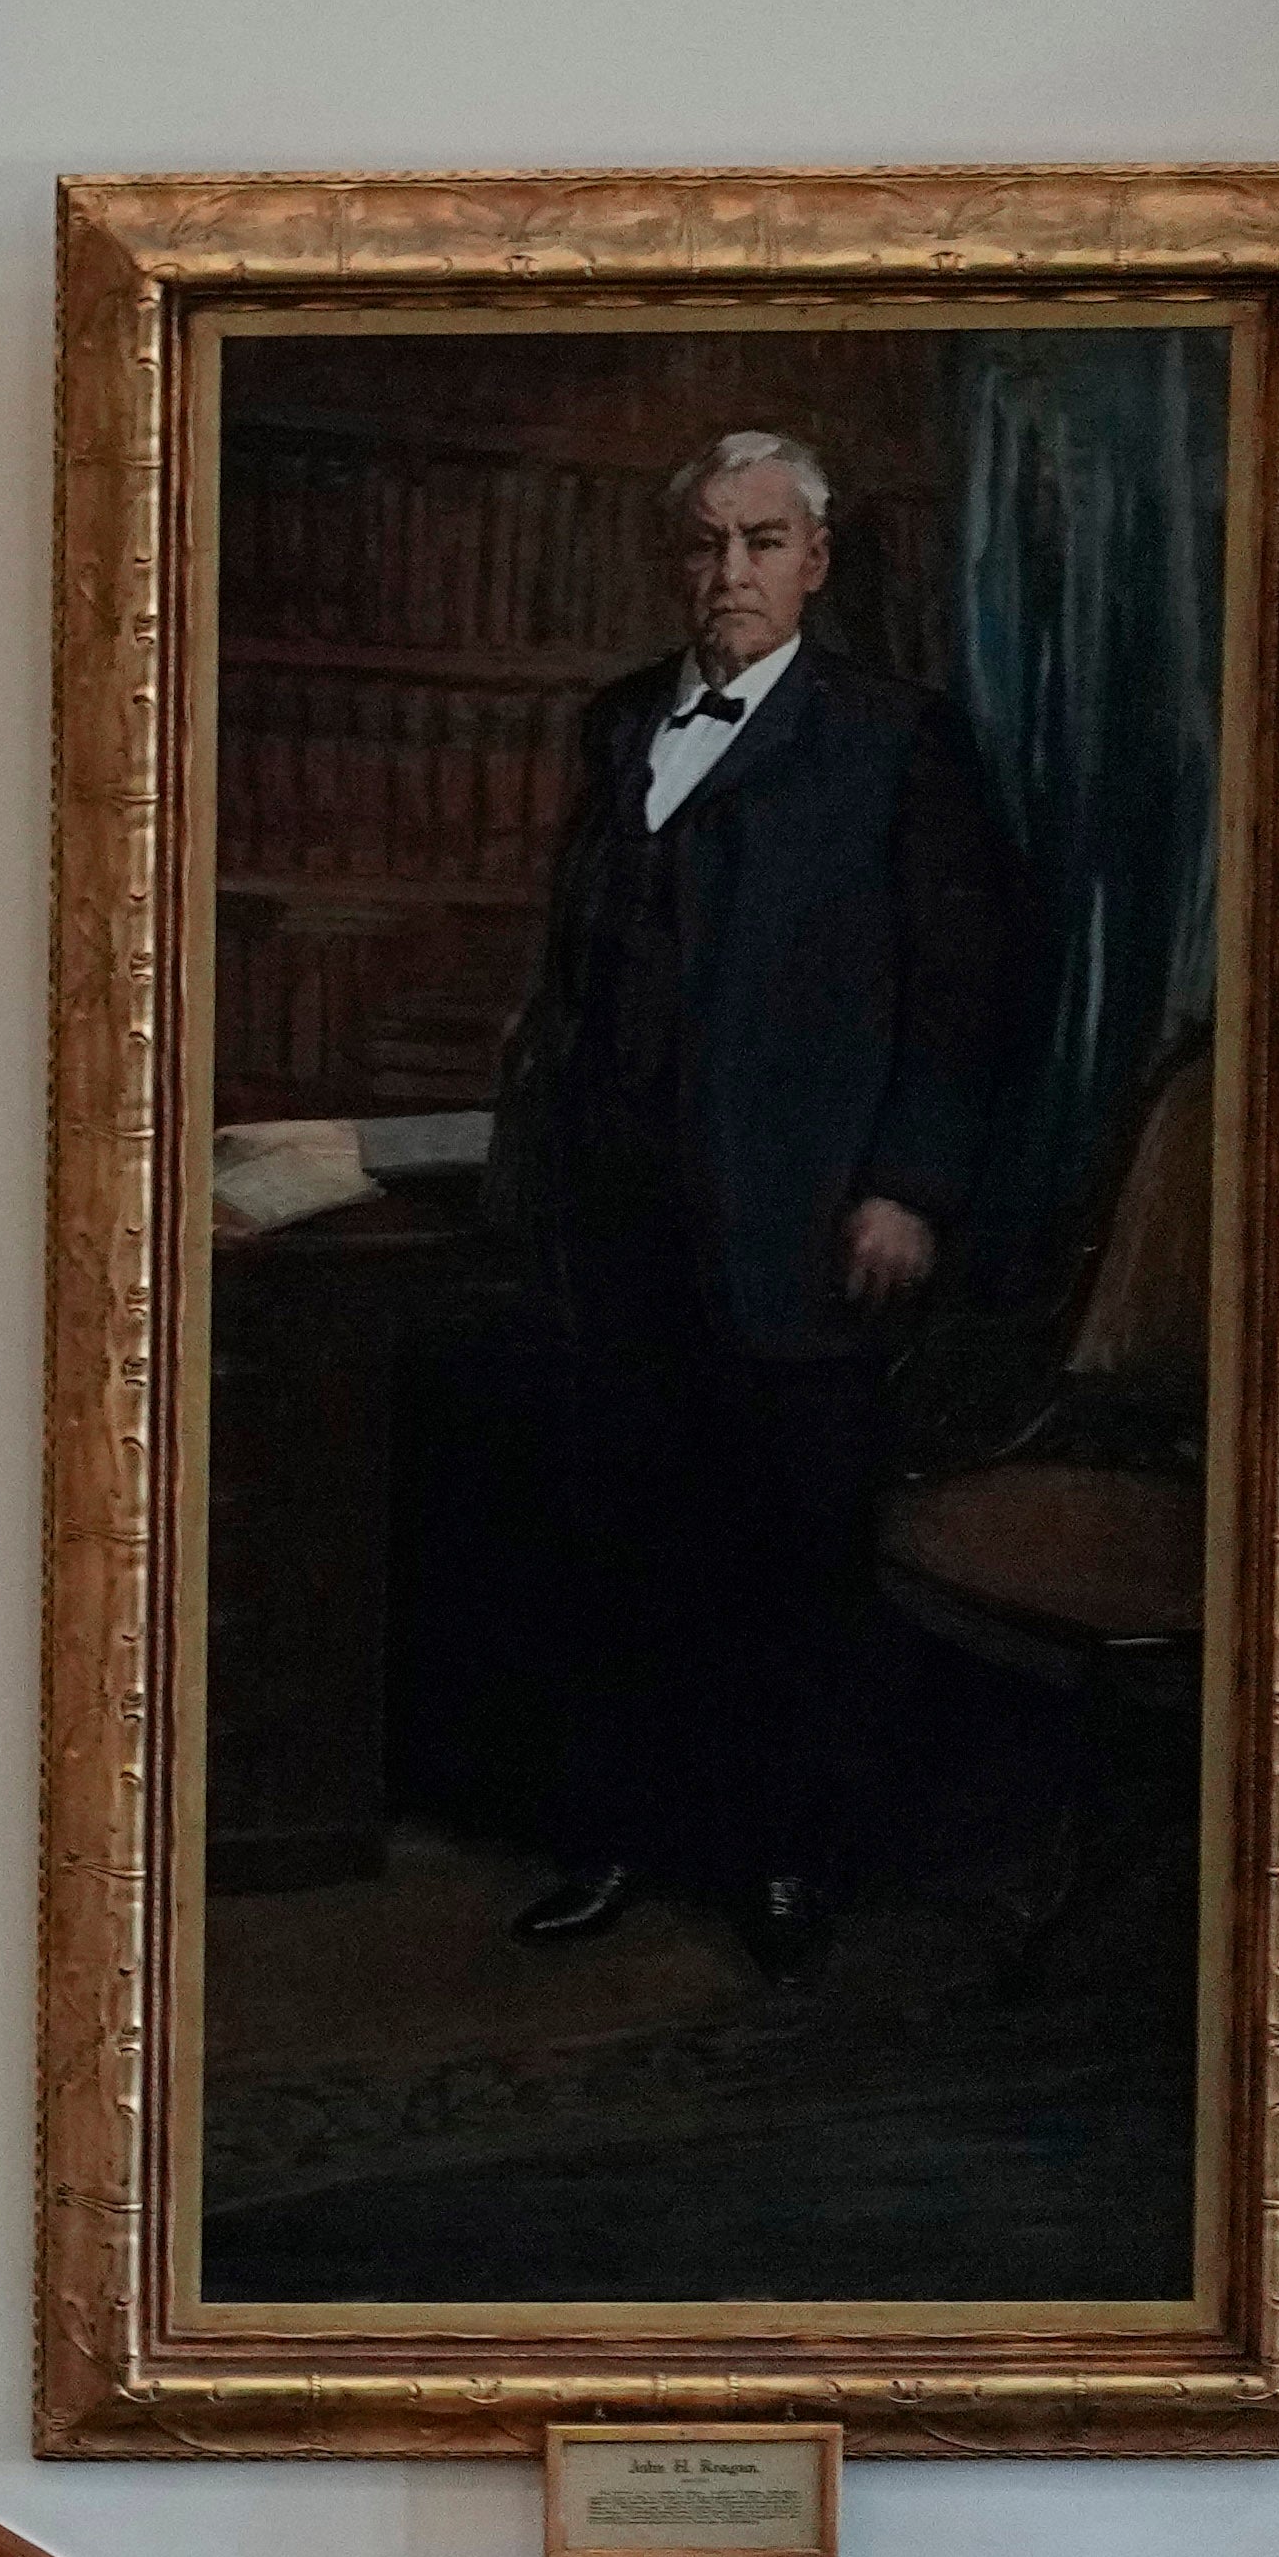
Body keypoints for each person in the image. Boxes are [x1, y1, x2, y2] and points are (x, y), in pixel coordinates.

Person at [482, 429, 1033, 1976]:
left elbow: (960, 991)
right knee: (622, 1536)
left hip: (798, 1216)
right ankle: (617, 1833)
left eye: (761, 542)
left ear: (816, 560)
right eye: (706, 545)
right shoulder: (612, 725)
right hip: (616, 1211)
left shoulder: (889, 735)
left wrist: (905, 1185)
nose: (728, 573)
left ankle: (788, 1853)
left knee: (795, 1551)